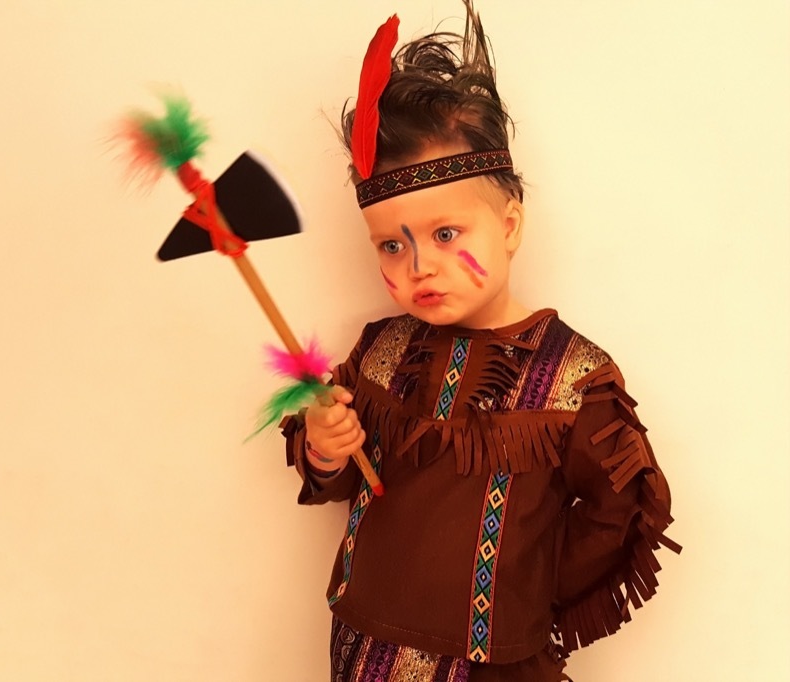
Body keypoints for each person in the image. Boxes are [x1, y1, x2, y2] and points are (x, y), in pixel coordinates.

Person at [279, 3, 680, 681]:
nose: (419, 265)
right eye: (390, 244)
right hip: (364, 650)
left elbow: (621, 513)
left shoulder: (574, 378)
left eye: (445, 235)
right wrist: (325, 445)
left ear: (510, 225)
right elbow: (339, 476)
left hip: (495, 664)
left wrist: (526, 590)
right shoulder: (379, 353)